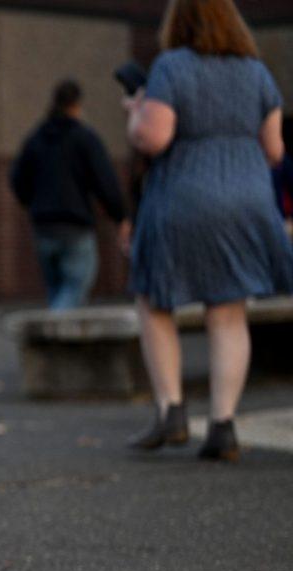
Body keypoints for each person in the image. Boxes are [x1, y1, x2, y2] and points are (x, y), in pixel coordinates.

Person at [125, 0, 292, 462]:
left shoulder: (171, 66)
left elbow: (155, 138)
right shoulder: (256, 72)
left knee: (155, 299)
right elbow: (275, 150)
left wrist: (137, 113)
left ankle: (172, 412)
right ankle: (223, 425)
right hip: (248, 200)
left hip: (185, 195)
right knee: (228, 310)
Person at [11, 80, 129, 310]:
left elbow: (18, 179)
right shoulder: (84, 138)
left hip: (44, 226)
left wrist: (32, 202)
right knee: (74, 288)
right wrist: (120, 215)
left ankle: (58, 337)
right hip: (75, 225)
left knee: (58, 290)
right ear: (76, 105)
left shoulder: (36, 139)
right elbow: (105, 180)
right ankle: (52, 334)